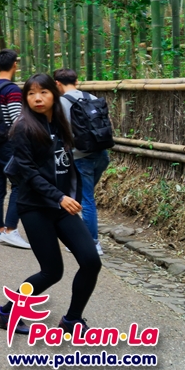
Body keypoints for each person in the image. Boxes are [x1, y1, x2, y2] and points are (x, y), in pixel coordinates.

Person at [0, 73, 101, 337]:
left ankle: (72, 319)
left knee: (91, 261)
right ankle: (6, 312)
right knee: (52, 272)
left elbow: (69, 163)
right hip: (35, 207)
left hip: (61, 206)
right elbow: (28, 173)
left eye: (43, 92)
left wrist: (71, 195)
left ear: (55, 93)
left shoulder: (61, 124)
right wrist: (60, 197)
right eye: (31, 93)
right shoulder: (23, 128)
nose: (37, 98)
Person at [54, 68, 110, 256]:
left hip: (80, 156)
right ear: (76, 81)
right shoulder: (91, 97)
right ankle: (77, 235)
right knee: (81, 196)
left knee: (86, 199)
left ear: (57, 83)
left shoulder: (61, 102)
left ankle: (92, 242)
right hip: (101, 154)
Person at [0, 50, 31, 249]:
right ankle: (11, 230)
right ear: (15, 65)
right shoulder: (11, 89)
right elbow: (16, 119)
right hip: (8, 144)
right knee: (19, 184)